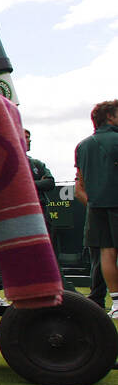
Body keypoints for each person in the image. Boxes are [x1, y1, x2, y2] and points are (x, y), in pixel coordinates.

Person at [74, 100, 118, 316]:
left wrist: (93, 202)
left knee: (104, 253)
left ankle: (114, 304)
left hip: (95, 208)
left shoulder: (82, 146)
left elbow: (79, 184)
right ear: (109, 117)